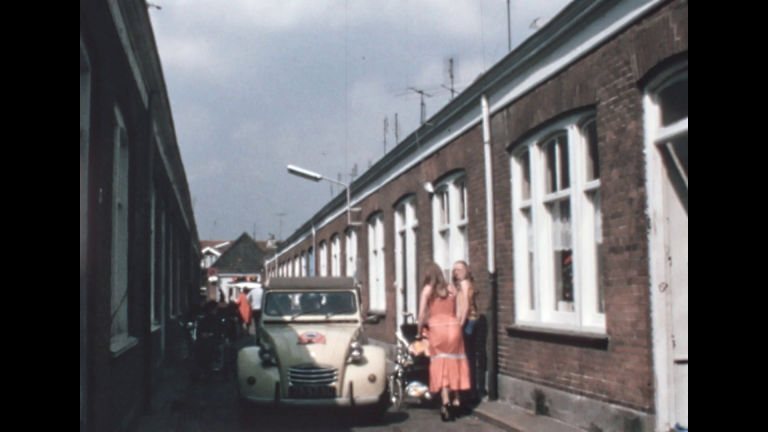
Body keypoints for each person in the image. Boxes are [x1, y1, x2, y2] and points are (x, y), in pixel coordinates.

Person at [417, 262, 471, 422]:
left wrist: (419, 333)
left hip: (437, 330)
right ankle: (457, 400)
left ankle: (445, 401)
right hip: (454, 329)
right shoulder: (452, 289)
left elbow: (421, 315)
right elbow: (461, 311)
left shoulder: (428, 290)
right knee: (455, 363)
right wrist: (457, 326)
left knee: (440, 365)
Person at [454, 261, 480, 403]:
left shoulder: (464, 284)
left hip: (468, 321)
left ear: (465, 270)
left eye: (459, 269)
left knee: (467, 357)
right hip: (471, 320)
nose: (456, 271)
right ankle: (470, 391)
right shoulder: (466, 283)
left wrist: (460, 325)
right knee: (469, 356)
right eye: (454, 269)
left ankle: (470, 392)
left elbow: (465, 308)